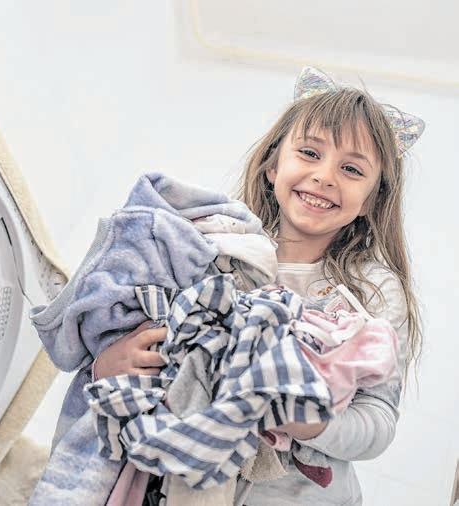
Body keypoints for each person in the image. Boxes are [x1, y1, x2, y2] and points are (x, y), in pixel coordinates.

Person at [92, 66, 424, 505]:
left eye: (351, 168)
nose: (325, 176)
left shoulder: (372, 292)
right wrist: (107, 366)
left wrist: (307, 421)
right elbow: (164, 353)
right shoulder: (213, 251)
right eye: (309, 152)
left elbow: (377, 421)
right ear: (272, 165)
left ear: (371, 201)